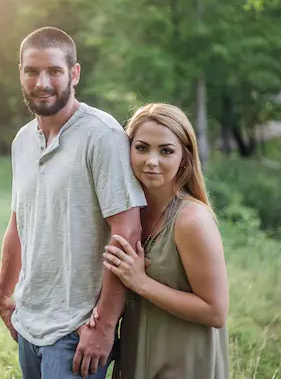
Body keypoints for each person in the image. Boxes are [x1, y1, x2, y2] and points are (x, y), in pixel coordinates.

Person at [0, 26, 147, 379]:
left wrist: (105, 325)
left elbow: (127, 231)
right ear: (20, 73)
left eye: (54, 71)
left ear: (74, 74)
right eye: (31, 71)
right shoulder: (22, 141)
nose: (42, 82)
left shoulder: (102, 136)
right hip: (29, 323)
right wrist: (3, 296)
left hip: (76, 331)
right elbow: (19, 221)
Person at [88, 103, 230, 378]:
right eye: (141, 148)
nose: (151, 160)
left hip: (183, 363)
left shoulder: (191, 221)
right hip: (137, 357)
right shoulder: (127, 217)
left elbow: (216, 312)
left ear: (185, 159)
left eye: (165, 151)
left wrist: (141, 282)